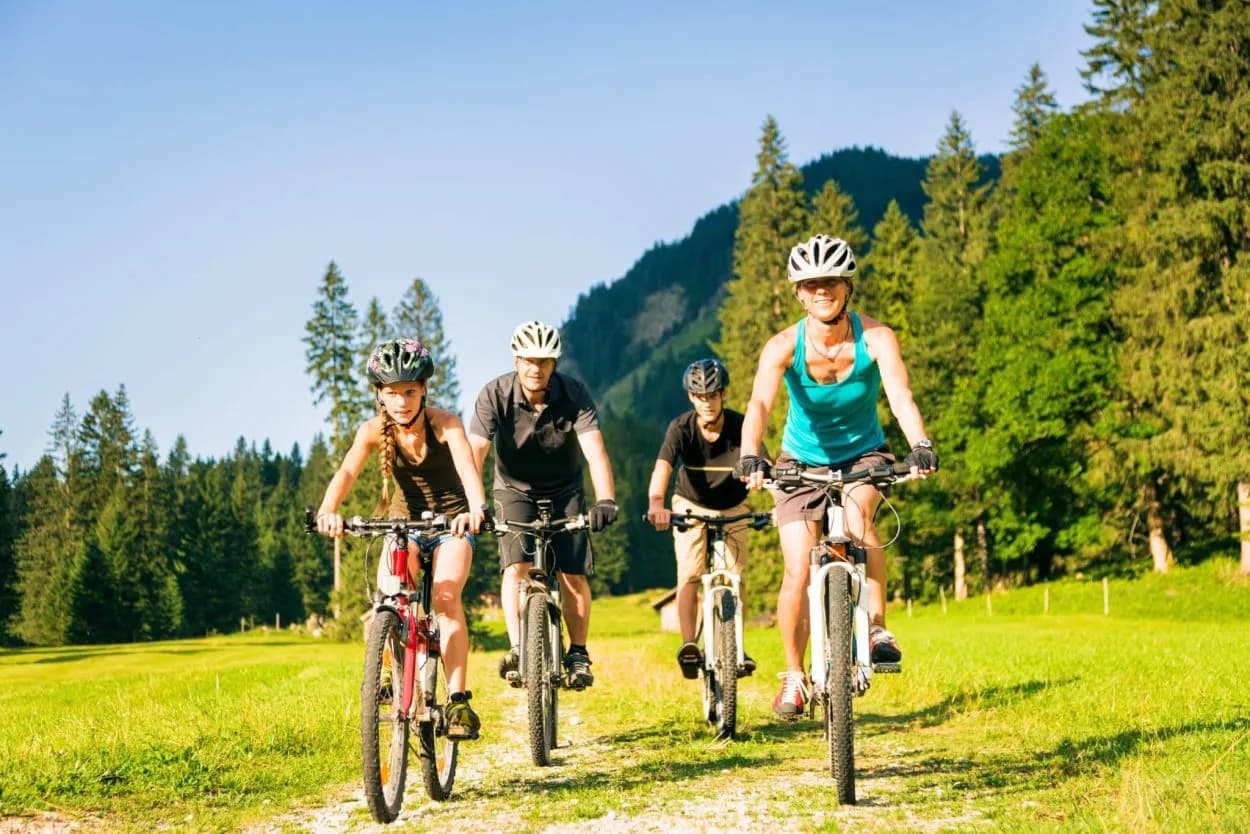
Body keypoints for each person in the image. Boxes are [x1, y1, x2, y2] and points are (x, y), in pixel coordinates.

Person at [735, 235, 938, 720]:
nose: (821, 290)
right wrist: (749, 455)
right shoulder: (784, 346)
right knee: (797, 567)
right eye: (811, 284)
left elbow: (900, 395)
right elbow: (760, 404)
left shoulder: (877, 339)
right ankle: (793, 676)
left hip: (863, 455)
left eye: (830, 282)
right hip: (798, 461)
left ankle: (877, 628)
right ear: (798, 293)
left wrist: (921, 444)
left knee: (859, 521)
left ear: (847, 287)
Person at [315, 338, 487, 740]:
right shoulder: (373, 430)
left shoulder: (446, 424)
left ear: (424, 389)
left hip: (451, 526)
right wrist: (328, 510)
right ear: (379, 394)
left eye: (410, 391)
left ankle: (459, 700)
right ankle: (391, 671)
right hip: (403, 525)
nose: (402, 401)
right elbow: (345, 473)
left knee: (445, 600)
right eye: (392, 393)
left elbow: (466, 469)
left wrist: (475, 510)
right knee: (387, 599)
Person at [468, 320, 618, 689]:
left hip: (565, 490)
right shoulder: (494, 394)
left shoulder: (575, 395)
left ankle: (578, 652)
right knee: (515, 568)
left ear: (554, 364)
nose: (536, 368)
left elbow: (596, 452)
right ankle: (520, 648)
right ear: (517, 360)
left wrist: (606, 500)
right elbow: (475, 452)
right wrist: (474, 504)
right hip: (513, 490)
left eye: (545, 361)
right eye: (529, 360)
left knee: (572, 572)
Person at [645, 358, 760, 679]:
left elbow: (763, 464)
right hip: (691, 503)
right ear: (691, 399)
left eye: (712, 395)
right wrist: (657, 503)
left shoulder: (742, 425)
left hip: (733, 505)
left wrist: (778, 499)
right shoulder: (681, 428)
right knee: (691, 572)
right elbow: (662, 469)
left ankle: (734, 642)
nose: (707, 403)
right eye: (699, 396)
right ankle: (688, 645)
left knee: (736, 575)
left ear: (723, 394)